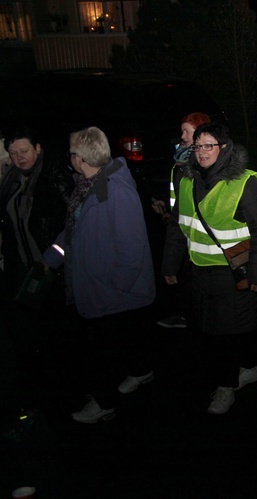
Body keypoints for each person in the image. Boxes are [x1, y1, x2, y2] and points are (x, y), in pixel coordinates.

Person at [41, 126, 156, 423]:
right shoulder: (87, 186)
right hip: (97, 287)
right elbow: (75, 230)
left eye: (72, 153)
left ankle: (104, 404)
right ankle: (139, 372)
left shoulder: (115, 191)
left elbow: (132, 249)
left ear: (80, 158)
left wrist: (115, 287)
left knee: (100, 354)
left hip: (109, 291)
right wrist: (53, 255)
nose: (70, 158)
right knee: (118, 345)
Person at [161, 121, 257, 415]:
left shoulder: (245, 182)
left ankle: (226, 388)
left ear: (224, 148)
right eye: (198, 146)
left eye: (209, 145)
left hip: (233, 271)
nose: (202, 152)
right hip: (198, 270)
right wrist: (170, 263)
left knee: (225, 333)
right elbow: (177, 225)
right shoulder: (186, 181)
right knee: (218, 330)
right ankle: (247, 368)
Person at [0, 126, 72, 302]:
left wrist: (54, 257)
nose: (19, 158)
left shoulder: (53, 174)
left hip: (52, 266)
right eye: (13, 153)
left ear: (37, 148)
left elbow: (75, 219)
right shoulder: (12, 177)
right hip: (23, 265)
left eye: (24, 151)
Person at [154, 112, 211, 328]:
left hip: (195, 233)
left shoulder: (198, 164)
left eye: (187, 131)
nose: (182, 135)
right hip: (180, 225)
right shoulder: (181, 159)